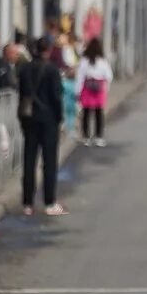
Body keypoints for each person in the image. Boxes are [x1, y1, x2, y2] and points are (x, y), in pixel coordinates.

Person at [18, 35, 66, 217]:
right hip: (48, 120)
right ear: (49, 50)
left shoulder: (25, 68)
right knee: (49, 162)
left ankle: (27, 203)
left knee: (29, 160)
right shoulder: (52, 70)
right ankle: (49, 202)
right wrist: (59, 118)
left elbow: (22, 94)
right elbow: (56, 97)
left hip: (29, 119)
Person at [74, 37, 113, 148]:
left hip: (87, 87)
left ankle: (86, 137)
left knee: (86, 113)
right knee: (98, 113)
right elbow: (109, 76)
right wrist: (105, 87)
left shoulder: (84, 60)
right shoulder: (103, 60)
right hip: (99, 88)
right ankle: (98, 137)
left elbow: (80, 77)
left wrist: (78, 91)